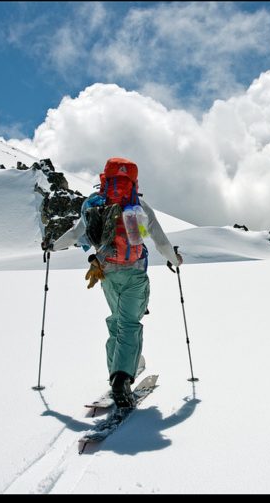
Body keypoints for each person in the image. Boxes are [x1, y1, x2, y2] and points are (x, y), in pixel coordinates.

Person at [43, 157, 182, 408]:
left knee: (116, 321)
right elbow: (160, 240)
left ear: (104, 179)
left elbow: (76, 234)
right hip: (134, 273)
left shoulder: (93, 203)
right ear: (133, 180)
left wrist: (52, 246)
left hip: (105, 272)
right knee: (130, 324)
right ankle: (122, 378)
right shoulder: (138, 206)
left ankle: (116, 372)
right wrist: (175, 259)